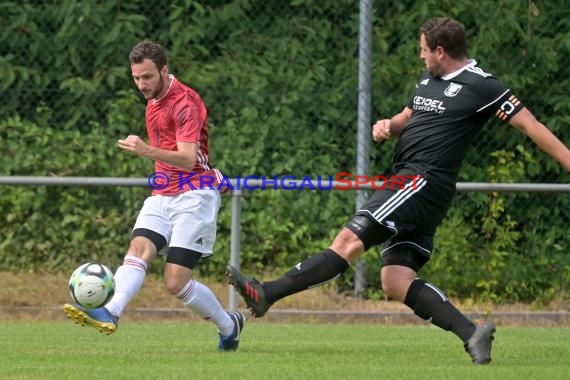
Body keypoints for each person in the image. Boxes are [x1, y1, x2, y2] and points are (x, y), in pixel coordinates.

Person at [226, 17, 570, 364]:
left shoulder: (483, 86)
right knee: (395, 278)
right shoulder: (429, 79)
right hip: (418, 186)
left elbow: (533, 127)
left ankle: (267, 293)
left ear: (440, 51)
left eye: (423, 50)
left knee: (347, 242)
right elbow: (409, 115)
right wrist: (389, 126)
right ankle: (472, 333)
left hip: (419, 181)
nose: (420, 57)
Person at [64, 39, 244, 352]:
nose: (141, 84)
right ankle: (111, 311)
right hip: (162, 192)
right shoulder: (153, 99)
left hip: (195, 194)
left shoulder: (185, 102)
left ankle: (229, 326)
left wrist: (145, 150)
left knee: (175, 282)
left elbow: (188, 158)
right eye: (136, 78)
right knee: (138, 249)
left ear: (164, 70)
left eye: (147, 77)